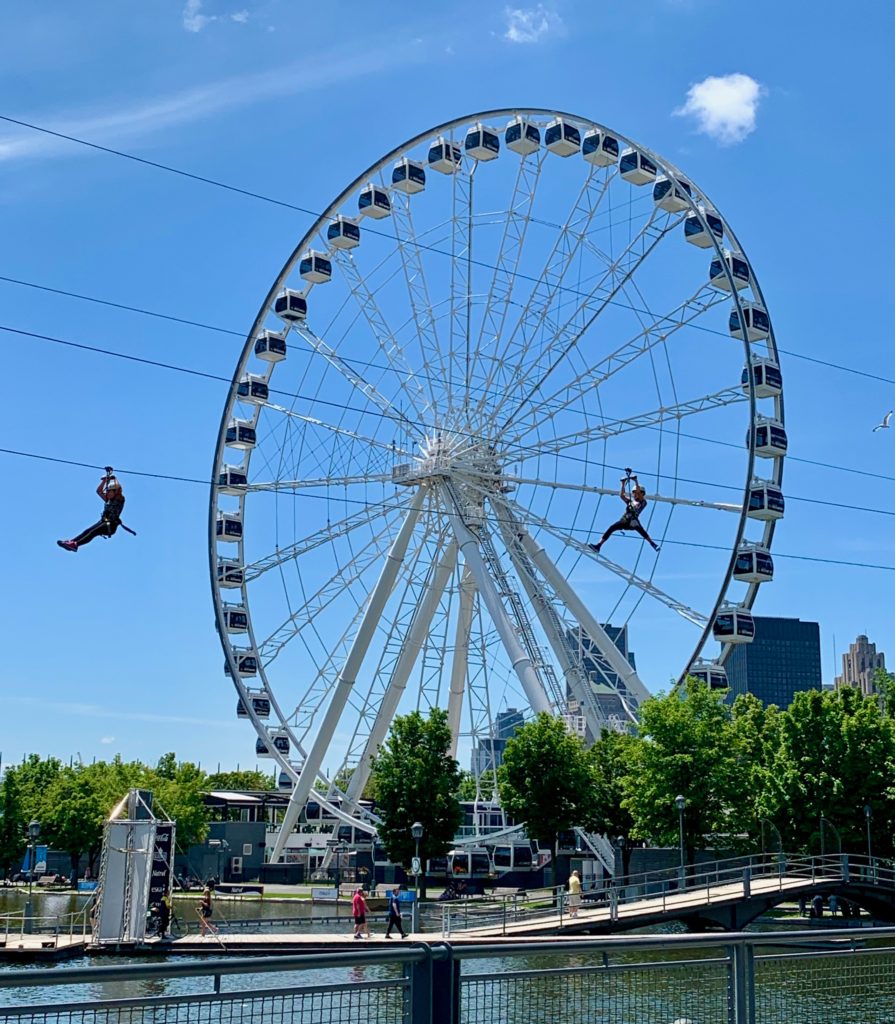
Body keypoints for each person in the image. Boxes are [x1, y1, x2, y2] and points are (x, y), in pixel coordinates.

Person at [589, 470, 659, 555]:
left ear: (642, 493)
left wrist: (636, 481)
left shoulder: (643, 502)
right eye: (634, 493)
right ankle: (598, 546)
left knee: (640, 530)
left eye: (637, 493)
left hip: (633, 521)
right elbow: (622, 495)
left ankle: (652, 544)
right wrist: (623, 484)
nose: (635, 494)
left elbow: (638, 493)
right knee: (611, 528)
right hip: (625, 521)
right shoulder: (630, 502)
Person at [57, 470, 128, 552]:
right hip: (103, 521)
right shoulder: (108, 500)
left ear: (115, 492)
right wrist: (105, 480)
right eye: (107, 491)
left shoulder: (119, 499)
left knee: (93, 532)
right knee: (87, 531)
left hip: (110, 525)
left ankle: (76, 544)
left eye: (109, 491)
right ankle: (72, 542)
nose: (107, 493)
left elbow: (118, 489)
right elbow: (99, 491)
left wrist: (114, 480)